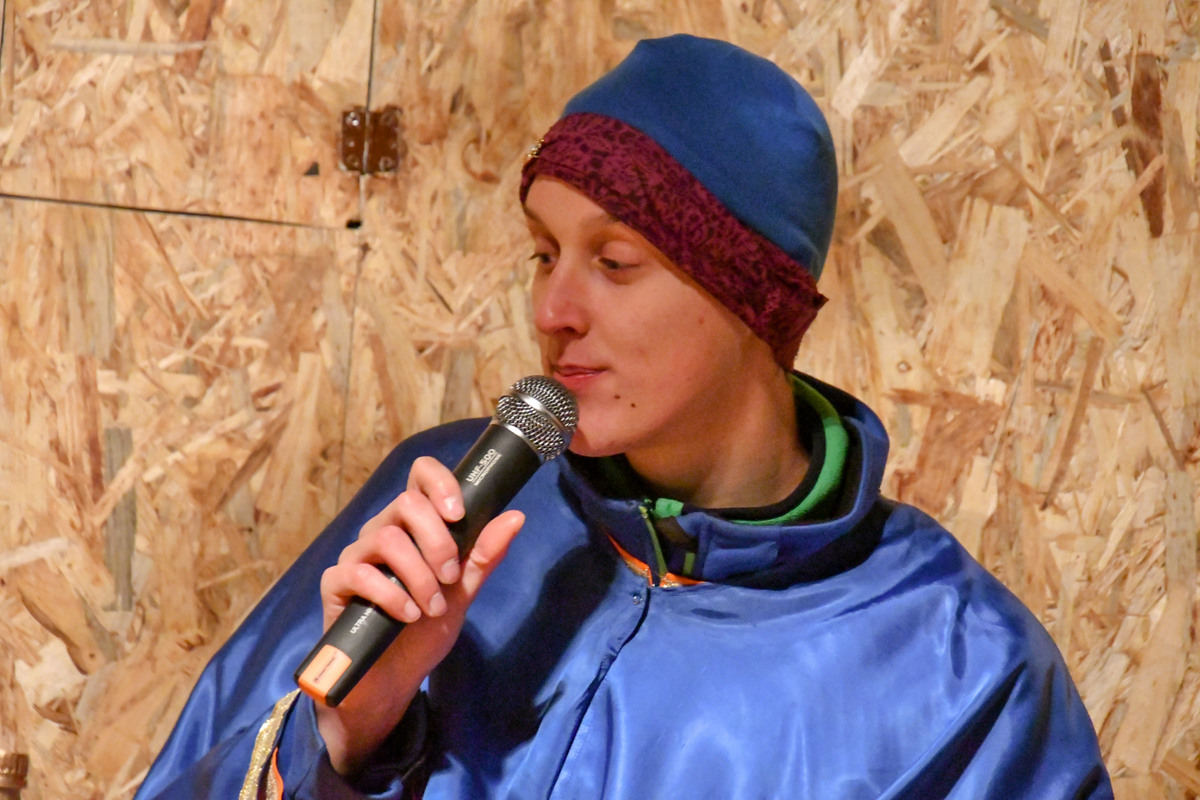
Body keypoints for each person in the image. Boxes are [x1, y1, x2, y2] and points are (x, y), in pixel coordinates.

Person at [134, 34, 1112, 799]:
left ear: (751, 298)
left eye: (614, 261)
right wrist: (348, 745)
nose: (553, 309)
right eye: (543, 253)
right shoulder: (440, 505)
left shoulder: (965, 667)